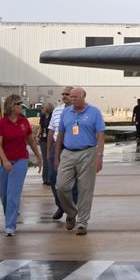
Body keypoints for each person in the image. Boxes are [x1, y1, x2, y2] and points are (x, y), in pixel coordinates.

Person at [54, 86, 104, 235]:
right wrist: (56, 157)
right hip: (68, 153)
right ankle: (71, 212)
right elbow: (60, 135)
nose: (72, 99)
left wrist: (100, 156)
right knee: (61, 186)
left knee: (85, 189)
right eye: (71, 97)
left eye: (75, 97)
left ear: (83, 97)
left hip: (87, 152)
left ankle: (82, 222)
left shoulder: (94, 112)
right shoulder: (65, 113)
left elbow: (100, 135)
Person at [0, 94, 40, 237]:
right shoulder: (1, 123)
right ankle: (10, 214)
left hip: (20, 160)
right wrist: (5, 161)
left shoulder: (24, 121)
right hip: (1, 161)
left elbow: (31, 141)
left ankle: (10, 225)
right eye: (19, 104)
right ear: (12, 106)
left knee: (13, 194)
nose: (21, 106)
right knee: (4, 193)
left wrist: (39, 157)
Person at [47, 88, 80, 219]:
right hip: (57, 147)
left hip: (71, 147)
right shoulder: (57, 110)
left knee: (73, 182)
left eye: (68, 94)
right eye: (64, 94)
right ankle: (61, 206)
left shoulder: (79, 111)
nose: (65, 96)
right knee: (53, 178)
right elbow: (51, 131)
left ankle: (71, 209)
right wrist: (49, 150)